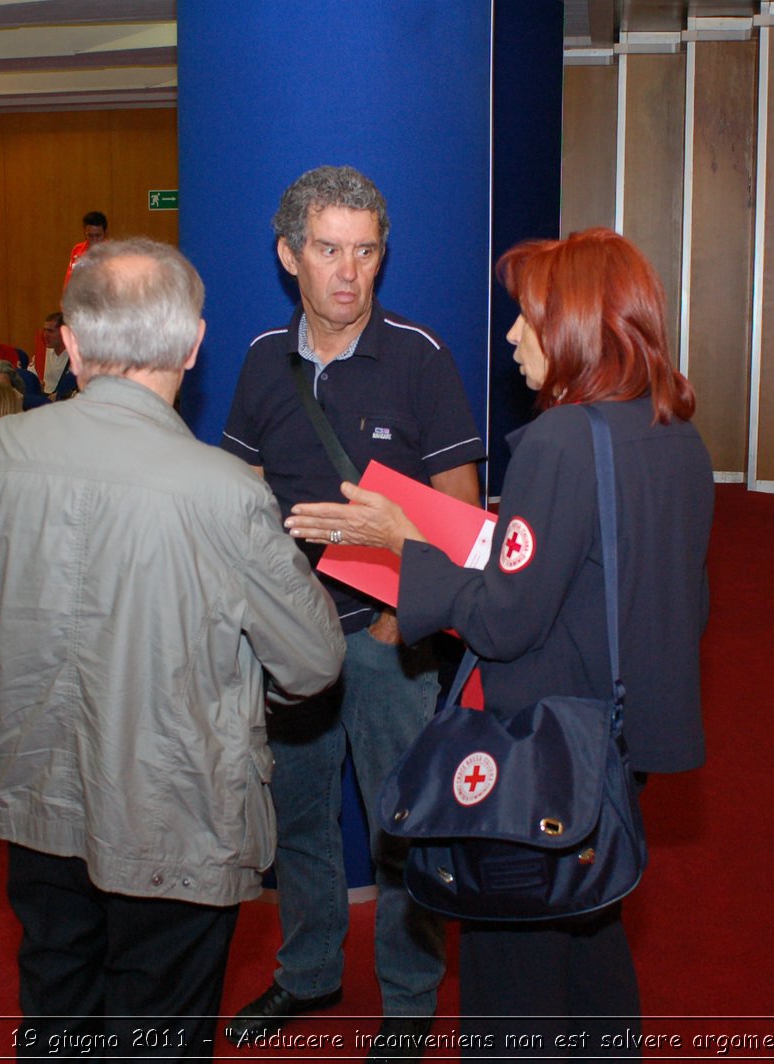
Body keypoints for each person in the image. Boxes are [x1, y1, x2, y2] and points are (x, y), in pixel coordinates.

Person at [0, 238, 345, 1056]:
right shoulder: (225, 493)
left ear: (70, 346)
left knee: (56, 1008)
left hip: (37, 790)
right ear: (192, 345)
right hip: (176, 812)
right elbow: (314, 662)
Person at [286, 228, 714, 1050]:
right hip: (616, 741)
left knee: (510, 969)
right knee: (588, 933)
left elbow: (504, 622)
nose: (513, 336)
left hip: (540, 752)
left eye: (526, 318)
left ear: (576, 325)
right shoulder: (673, 433)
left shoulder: (561, 441)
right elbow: (645, 587)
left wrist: (404, 546)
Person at [220, 165, 483, 1050]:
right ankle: (309, 975)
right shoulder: (263, 359)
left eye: (366, 252)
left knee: (399, 827)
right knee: (298, 817)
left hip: (388, 639)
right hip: (289, 639)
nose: (349, 273)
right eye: (329, 250)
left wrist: (396, 620)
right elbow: (247, 497)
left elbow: (463, 507)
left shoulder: (420, 355)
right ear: (289, 253)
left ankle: (409, 1007)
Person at [63, 210, 108, 289]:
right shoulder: (77, 250)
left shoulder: (112, 252)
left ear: (105, 233)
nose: (94, 239)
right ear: (85, 233)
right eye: (90, 236)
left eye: (98, 236)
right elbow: (70, 278)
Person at [34, 312, 68, 395]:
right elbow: (30, 379)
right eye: (44, 330)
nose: (45, 335)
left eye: (50, 331)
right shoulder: (42, 353)